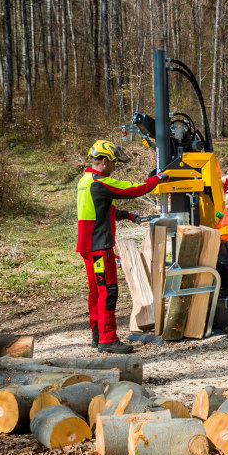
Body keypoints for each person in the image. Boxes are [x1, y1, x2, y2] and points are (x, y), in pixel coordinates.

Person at [77, 140, 165, 353]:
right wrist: (158, 178)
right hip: (99, 246)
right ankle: (108, 339)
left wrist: (128, 215)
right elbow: (135, 189)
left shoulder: (85, 180)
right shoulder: (100, 182)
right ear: (104, 161)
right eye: (114, 162)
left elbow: (99, 209)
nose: (115, 166)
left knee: (96, 292)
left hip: (88, 245)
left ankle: (98, 336)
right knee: (108, 291)